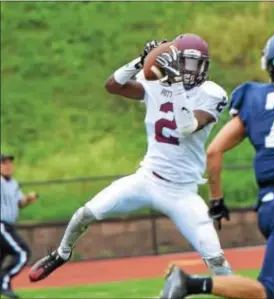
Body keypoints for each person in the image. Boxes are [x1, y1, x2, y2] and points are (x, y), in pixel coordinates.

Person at [29, 34, 233, 282]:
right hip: (147, 179)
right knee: (85, 214)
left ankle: (237, 291)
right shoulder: (157, 84)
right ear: (174, 61)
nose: (193, 70)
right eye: (186, 63)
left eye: (197, 64)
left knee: (216, 260)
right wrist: (141, 60)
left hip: (183, 191)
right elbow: (112, 85)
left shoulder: (211, 93)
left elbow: (186, 126)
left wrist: (176, 82)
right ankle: (61, 254)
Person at [160, 30, 274, 299]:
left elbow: (214, 151)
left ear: (269, 64)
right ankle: (190, 283)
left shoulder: (254, 97)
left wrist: (217, 201)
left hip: (269, 209)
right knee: (267, 292)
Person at [0, 154, 38, 298]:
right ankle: (3, 280)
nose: (8, 166)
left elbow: (19, 203)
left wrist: (28, 199)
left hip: (9, 226)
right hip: (1, 226)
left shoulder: (13, 183)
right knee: (23, 253)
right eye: (4, 163)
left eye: (10, 163)